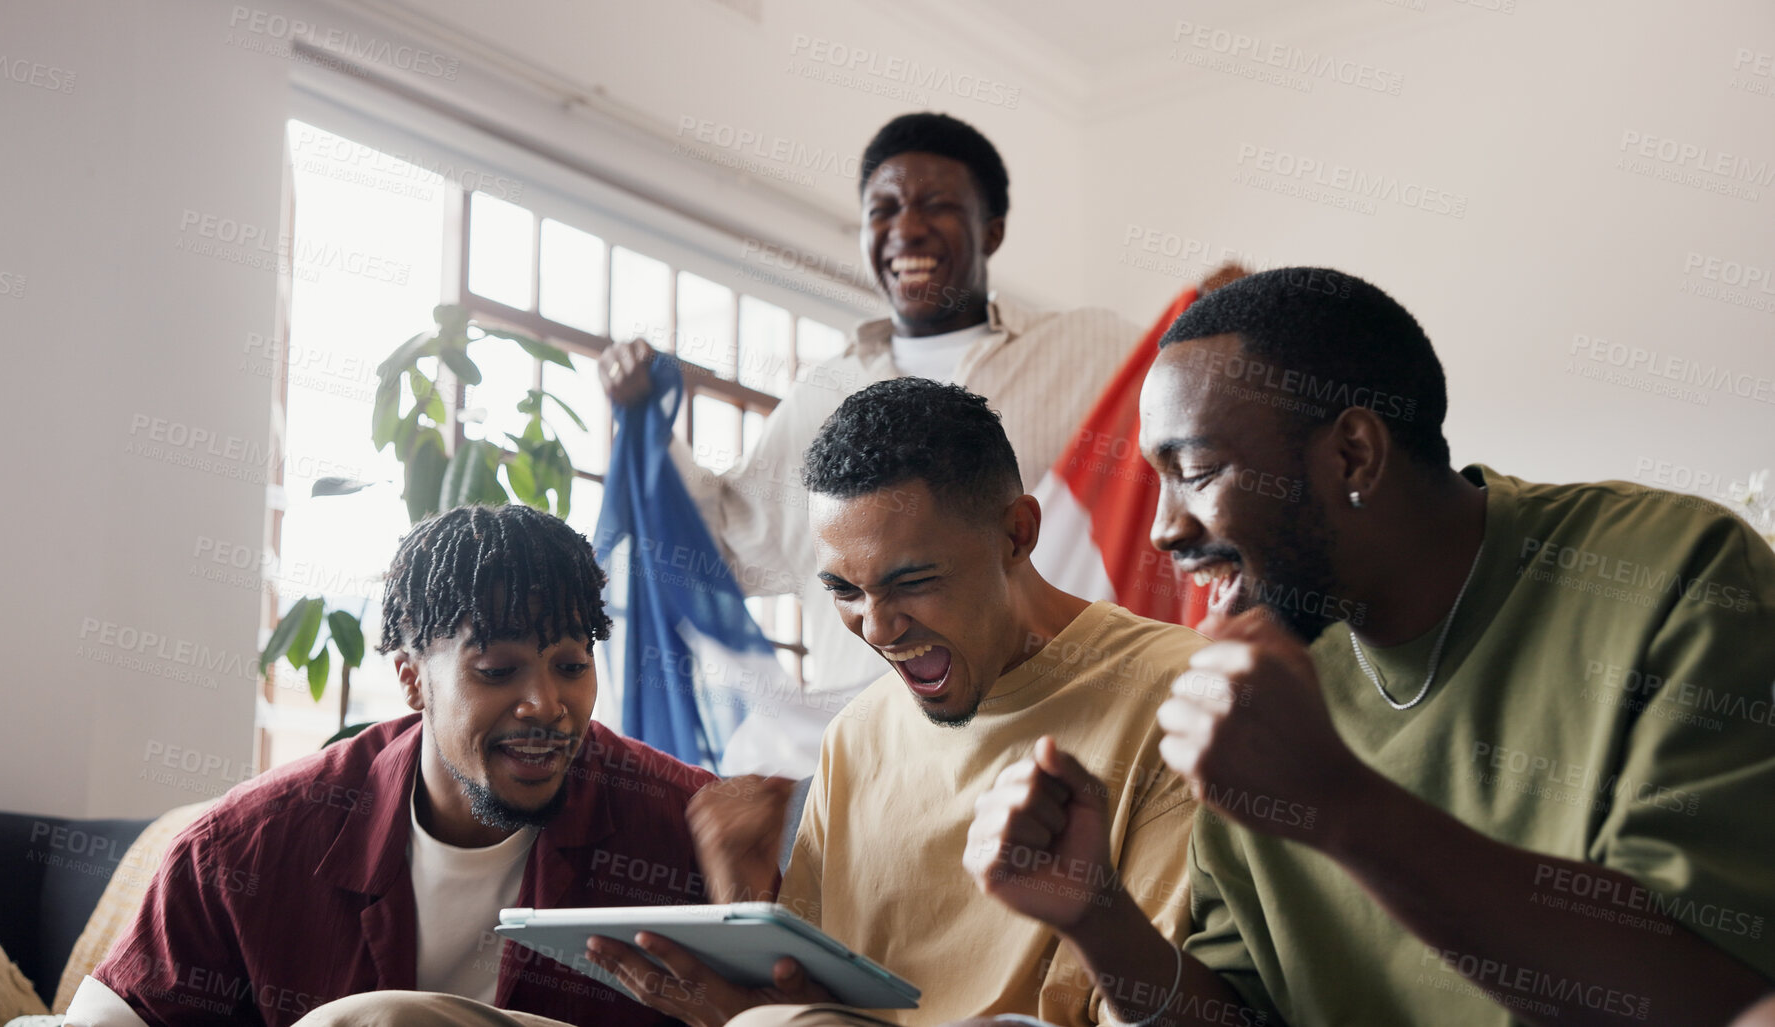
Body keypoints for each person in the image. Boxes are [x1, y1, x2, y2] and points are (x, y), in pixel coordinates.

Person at [966, 267, 1775, 1025]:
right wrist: (1097, 915)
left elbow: (1717, 997)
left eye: (1198, 471)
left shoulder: (1674, 573)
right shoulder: (1262, 669)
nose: (1162, 528)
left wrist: (1339, 804)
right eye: (1158, 478)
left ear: (1354, 453)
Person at [585, 379, 1208, 1026]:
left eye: (911, 581)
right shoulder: (856, 734)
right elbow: (807, 1001)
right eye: (843, 590)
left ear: (1017, 534)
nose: (876, 629)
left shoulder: (1180, 692)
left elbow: (1169, 1004)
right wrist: (739, 907)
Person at [601, 112, 1174, 776]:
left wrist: (1208, 315)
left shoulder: (1092, 351)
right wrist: (646, 427)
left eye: (937, 204)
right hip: (874, 764)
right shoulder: (825, 392)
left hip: (1047, 741)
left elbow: (1190, 417)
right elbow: (722, 551)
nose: (906, 227)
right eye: (884, 209)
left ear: (992, 228)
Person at [66, 504, 715, 1027]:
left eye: (571, 666)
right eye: (497, 670)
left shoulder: (686, 828)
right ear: (412, 678)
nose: (547, 704)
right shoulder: (245, 848)